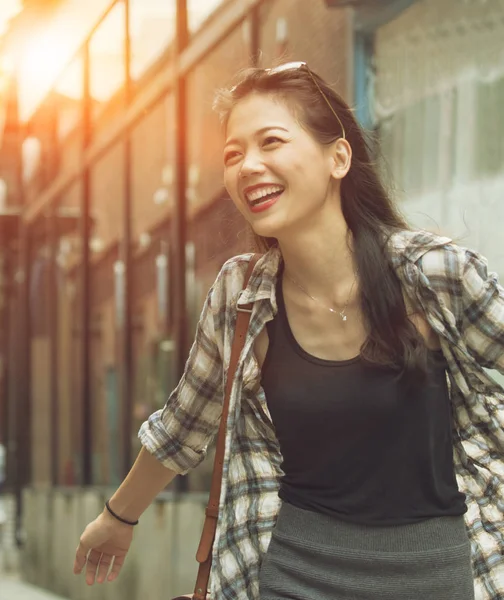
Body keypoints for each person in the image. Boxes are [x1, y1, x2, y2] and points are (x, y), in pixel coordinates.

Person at [73, 62, 504, 600]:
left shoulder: (435, 275)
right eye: (233, 155)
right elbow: (186, 423)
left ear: (338, 158)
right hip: (292, 574)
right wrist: (118, 517)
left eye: (270, 142)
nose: (248, 166)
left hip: (435, 574)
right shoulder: (241, 296)